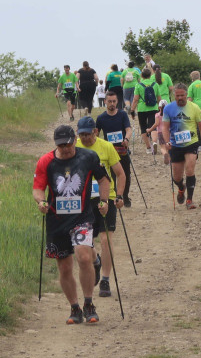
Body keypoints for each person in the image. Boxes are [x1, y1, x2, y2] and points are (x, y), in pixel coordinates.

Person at [33, 125, 110, 324]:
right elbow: (38, 188)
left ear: (75, 140)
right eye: (61, 145)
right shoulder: (46, 161)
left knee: (83, 256)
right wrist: (41, 202)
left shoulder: (88, 157)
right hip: (57, 221)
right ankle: (74, 308)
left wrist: (104, 201)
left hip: (82, 217)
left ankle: (89, 304)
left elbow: (103, 180)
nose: (65, 148)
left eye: (68, 144)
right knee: (65, 267)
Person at [75, 115, 127, 299]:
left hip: (106, 198)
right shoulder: (74, 149)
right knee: (85, 242)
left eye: (87, 134)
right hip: (82, 201)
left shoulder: (106, 147)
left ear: (95, 132)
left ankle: (105, 279)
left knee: (105, 240)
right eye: (81, 135)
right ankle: (95, 261)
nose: (85, 138)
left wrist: (119, 196)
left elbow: (120, 174)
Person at [161, 85, 201, 210]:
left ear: (186, 95)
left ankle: (190, 200)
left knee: (190, 169)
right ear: (174, 96)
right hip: (175, 145)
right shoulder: (168, 108)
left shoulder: (194, 108)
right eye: (177, 95)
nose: (180, 98)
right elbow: (165, 127)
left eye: (182, 95)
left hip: (191, 143)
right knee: (176, 177)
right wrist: (167, 142)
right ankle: (181, 187)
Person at [94, 90, 134, 207]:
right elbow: (96, 134)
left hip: (122, 150)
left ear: (117, 102)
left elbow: (128, 129)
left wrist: (126, 139)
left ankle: (124, 196)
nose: (112, 103)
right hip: (108, 152)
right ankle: (114, 196)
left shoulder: (122, 115)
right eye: (109, 101)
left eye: (114, 101)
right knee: (111, 176)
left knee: (125, 174)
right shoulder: (101, 118)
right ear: (105, 101)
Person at [131, 68, 160, 154]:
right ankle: (154, 142)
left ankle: (148, 147)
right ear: (150, 75)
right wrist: (161, 108)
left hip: (142, 109)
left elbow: (135, 99)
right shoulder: (155, 84)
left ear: (141, 75)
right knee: (153, 126)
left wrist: (132, 110)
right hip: (154, 108)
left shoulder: (138, 85)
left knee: (143, 127)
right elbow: (159, 98)